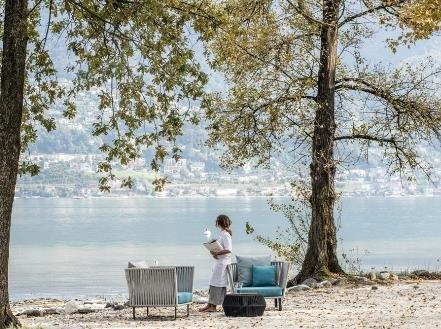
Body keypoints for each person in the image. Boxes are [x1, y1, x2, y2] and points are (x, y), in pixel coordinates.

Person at [199, 214, 233, 312]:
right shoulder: (222, 234)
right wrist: (213, 252)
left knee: (217, 284)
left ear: (219, 223)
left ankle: (213, 306)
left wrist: (217, 252)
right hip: (218, 261)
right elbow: (220, 247)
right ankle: (209, 304)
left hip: (223, 263)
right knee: (212, 283)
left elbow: (228, 249)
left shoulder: (226, 235)